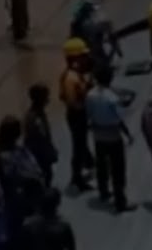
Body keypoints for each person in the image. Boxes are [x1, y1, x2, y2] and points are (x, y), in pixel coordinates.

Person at [85, 65, 136, 213]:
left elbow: (88, 114)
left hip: (98, 135)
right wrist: (127, 134)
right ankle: (120, 202)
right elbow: (120, 118)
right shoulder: (112, 98)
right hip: (113, 136)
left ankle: (103, 191)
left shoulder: (90, 95)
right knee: (118, 169)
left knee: (101, 165)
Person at [57, 39, 93, 191]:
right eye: (82, 55)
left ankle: (89, 161)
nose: (85, 58)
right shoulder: (71, 78)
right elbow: (72, 101)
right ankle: (77, 177)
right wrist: (86, 91)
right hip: (77, 115)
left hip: (78, 114)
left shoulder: (73, 74)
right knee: (78, 146)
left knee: (81, 143)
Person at [23, 83, 58, 186]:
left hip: (39, 154)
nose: (48, 99)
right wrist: (50, 152)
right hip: (39, 156)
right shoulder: (35, 118)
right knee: (45, 178)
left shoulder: (36, 113)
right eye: (46, 96)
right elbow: (41, 138)